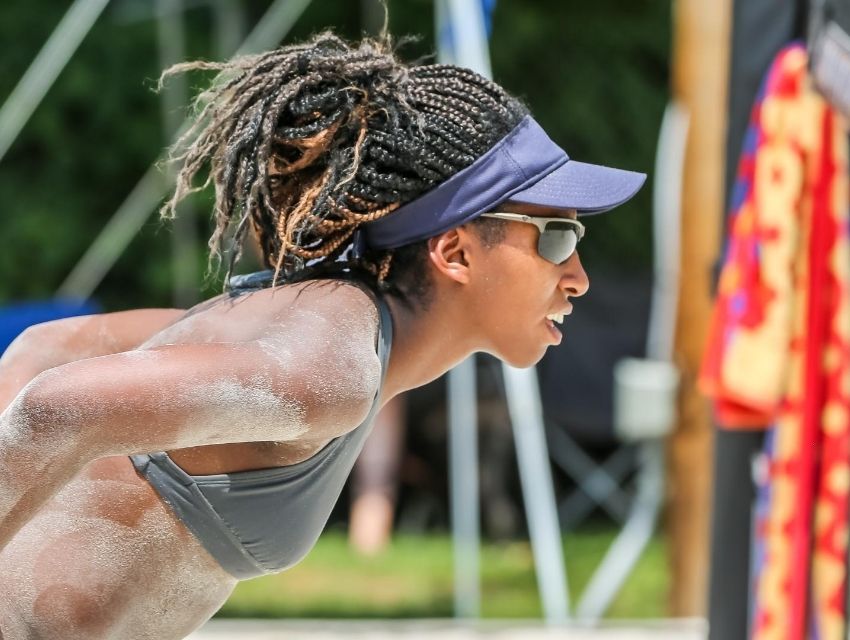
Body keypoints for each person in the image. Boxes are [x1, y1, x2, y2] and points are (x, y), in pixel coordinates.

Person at [0, 31, 645, 640]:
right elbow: (59, 405)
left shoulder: (333, 328)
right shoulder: (327, 367)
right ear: (455, 252)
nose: (579, 278)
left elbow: (46, 350)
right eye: (556, 238)